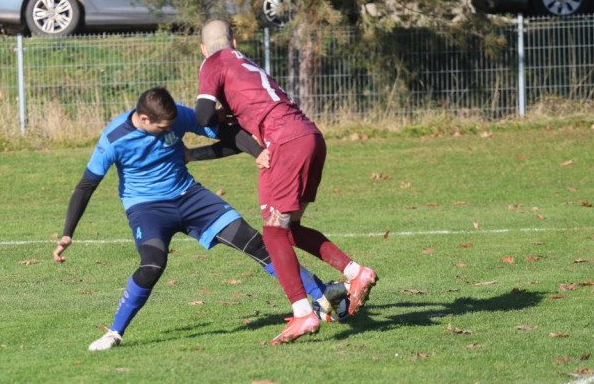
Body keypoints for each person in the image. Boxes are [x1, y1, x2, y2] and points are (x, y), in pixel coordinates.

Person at [53, 86, 347, 351]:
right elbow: (86, 185)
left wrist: (257, 151)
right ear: (143, 120)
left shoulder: (178, 115)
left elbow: (227, 134)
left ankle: (322, 293)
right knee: (153, 265)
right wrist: (68, 233)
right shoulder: (114, 138)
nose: (171, 129)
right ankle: (114, 333)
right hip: (146, 208)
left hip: (191, 197)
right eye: (163, 128)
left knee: (256, 243)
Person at [196, 18, 377, 345]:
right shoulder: (246, 65)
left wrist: (215, 116)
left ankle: (303, 313)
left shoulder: (213, 62)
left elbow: (204, 116)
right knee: (289, 229)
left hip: (285, 144)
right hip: (310, 136)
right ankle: (355, 273)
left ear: (204, 48)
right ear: (235, 43)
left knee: (272, 231)